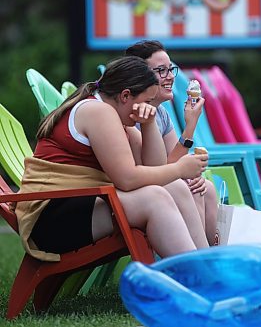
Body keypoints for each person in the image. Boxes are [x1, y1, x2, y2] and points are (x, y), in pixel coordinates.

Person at [15, 56, 209, 262]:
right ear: (125, 95)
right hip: (49, 221)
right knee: (155, 199)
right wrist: (180, 169)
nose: (150, 107)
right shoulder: (98, 111)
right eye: (147, 102)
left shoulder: (116, 115)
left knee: (175, 188)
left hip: (75, 206)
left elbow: (156, 170)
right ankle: (197, 277)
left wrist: (149, 122)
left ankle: (207, 265)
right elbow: (127, 179)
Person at [124, 40, 218, 245]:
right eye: (161, 71)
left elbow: (170, 162)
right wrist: (183, 170)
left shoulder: (161, 113)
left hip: (157, 180)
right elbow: (157, 170)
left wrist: (190, 126)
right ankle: (198, 260)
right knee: (186, 186)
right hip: (140, 189)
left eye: (171, 69)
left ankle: (215, 257)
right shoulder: (133, 114)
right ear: (140, 76)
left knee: (205, 187)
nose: (170, 77)